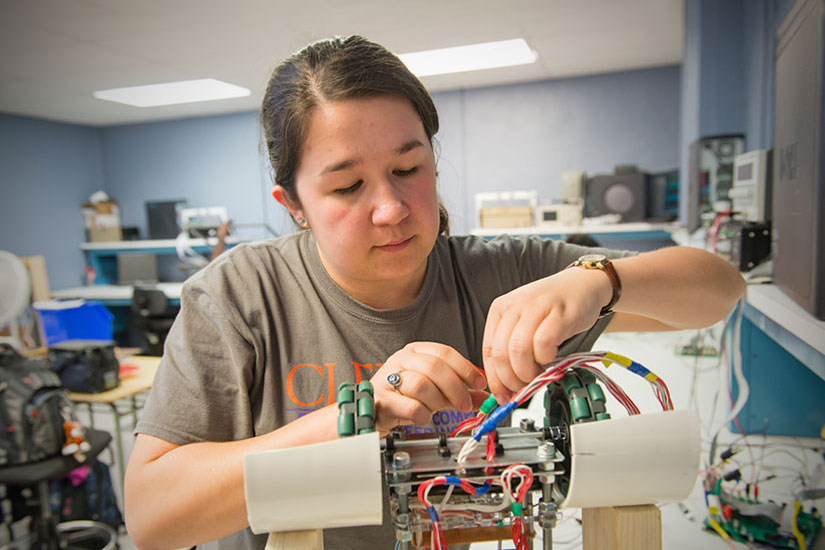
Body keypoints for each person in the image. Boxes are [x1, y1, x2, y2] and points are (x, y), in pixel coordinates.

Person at [124, 36, 745, 550]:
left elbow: (719, 290)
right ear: (294, 206)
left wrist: (599, 280)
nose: (392, 209)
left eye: (407, 169)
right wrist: (360, 417)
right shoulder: (239, 295)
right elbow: (152, 517)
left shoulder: (501, 274)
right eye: (346, 187)